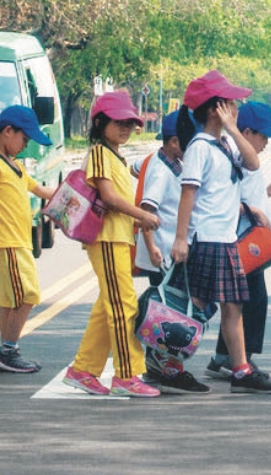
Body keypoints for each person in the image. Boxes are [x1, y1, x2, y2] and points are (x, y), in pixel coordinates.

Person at [172, 71, 271, 394]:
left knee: (233, 306)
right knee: (196, 308)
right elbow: (188, 194)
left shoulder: (225, 143)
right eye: (231, 102)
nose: (237, 106)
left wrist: (231, 128)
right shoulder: (200, 147)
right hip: (208, 239)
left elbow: (254, 163)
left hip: (226, 239)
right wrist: (180, 239)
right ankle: (169, 362)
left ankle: (240, 368)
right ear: (216, 108)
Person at [64, 91, 163, 397]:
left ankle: (83, 370)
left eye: (130, 123)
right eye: (118, 122)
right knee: (123, 306)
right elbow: (108, 197)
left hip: (118, 237)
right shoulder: (99, 154)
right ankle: (126, 375)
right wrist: (141, 215)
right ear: (99, 122)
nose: (125, 128)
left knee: (107, 307)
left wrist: (138, 221)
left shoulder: (116, 156)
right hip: (105, 238)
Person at [207, 101, 271, 380]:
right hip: (242, 241)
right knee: (251, 301)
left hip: (249, 240)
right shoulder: (236, 157)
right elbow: (226, 196)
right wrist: (251, 210)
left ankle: (226, 356)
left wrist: (269, 191)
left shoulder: (246, 158)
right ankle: (238, 359)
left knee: (244, 301)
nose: (267, 142)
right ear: (245, 131)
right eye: (263, 136)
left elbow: (250, 193)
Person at [0, 104, 56, 374]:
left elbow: (41, 190)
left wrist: (74, 190)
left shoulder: (16, 165)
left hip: (21, 242)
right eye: (24, 139)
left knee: (10, 300)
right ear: (8, 131)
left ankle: (4, 350)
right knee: (27, 295)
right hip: (8, 243)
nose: (24, 145)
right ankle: (9, 349)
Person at [135, 108, 208, 394]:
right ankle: (169, 367)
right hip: (163, 253)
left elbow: (136, 165)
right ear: (175, 142)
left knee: (170, 310)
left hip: (168, 252)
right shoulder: (162, 171)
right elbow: (147, 209)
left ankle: (159, 362)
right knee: (171, 315)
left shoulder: (165, 162)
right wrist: (152, 248)